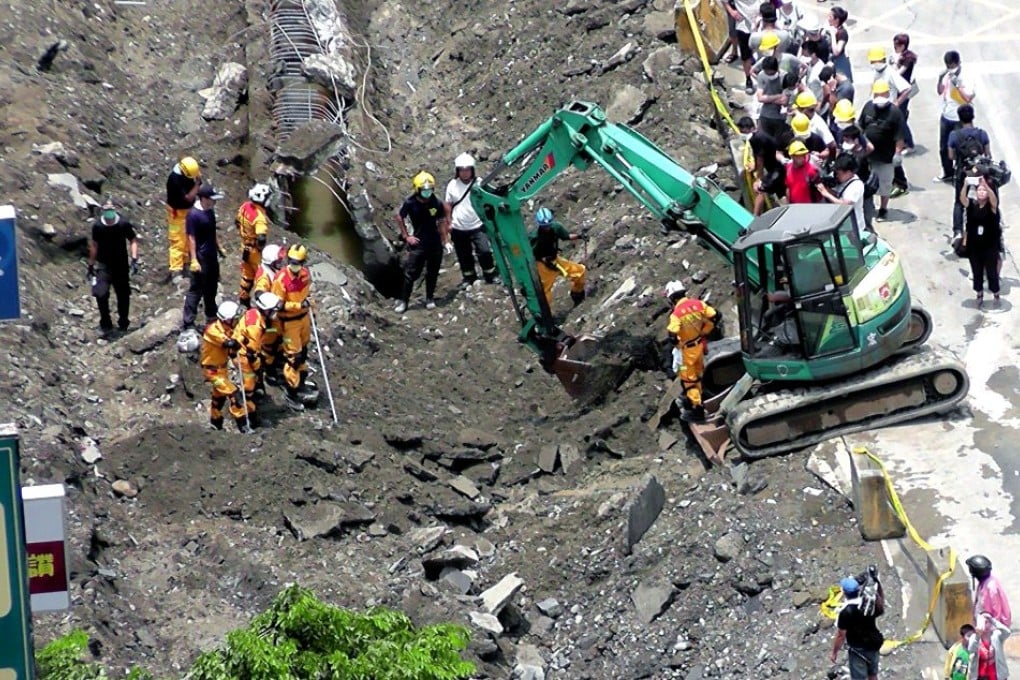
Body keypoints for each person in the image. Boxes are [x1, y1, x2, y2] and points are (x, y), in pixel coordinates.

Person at [395, 171, 451, 313]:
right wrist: (406, 236)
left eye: (429, 189)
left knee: (432, 272)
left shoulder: (435, 202)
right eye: (424, 190)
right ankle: (404, 301)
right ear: (418, 189)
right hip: (419, 243)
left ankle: (430, 298)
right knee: (410, 273)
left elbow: (442, 220)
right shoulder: (410, 203)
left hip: (434, 243)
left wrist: (446, 240)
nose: (427, 192)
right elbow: (400, 217)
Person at [664, 280, 719, 423]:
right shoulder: (698, 304)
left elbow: (672, 333)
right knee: (698, 374)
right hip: (699, 346)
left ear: (672, 298)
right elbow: (715, 315)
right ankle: (697, 397)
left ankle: (697, 409)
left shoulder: (676, 314)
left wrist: (677, 343)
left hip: (687, 352)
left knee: (688, 379)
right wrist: (704, 331)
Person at [271, 244, 316, 411]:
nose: (294, 265)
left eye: (298, 262)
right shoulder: (281, 279)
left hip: (303, 319)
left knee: (303, 352)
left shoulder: (304, 274)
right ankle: (291, 392)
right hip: (289, 323)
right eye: (292, 261)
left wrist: (309, 303)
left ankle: (301, 383)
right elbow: (278, 305)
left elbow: (306, 293)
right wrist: (299, 305)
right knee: (293, 356)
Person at [87, 197, 140, 336]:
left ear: (114, 210)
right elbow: (94, 245)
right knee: (100, 293)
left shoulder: (123, 224)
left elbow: (133, 240)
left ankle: (123, 323)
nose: (109, 213)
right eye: (106, 210)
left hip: (121, 265)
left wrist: (134, 259)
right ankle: (105, 323)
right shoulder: (98, 226)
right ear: (102, 211)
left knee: (123, 295)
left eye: (111, 210)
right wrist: (91, 265)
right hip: (104, 265)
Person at [444, 153, 497, 288]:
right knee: (464, 254)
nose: (465, 173)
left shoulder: (479, 183)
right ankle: (469, 277)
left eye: (467, 169)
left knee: (484, 250)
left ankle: (490, 274)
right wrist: (449, 222)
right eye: (462, 170)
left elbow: (488, 199)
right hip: (459, 227)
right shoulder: (452, 185)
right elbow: (448, 205)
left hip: (477, 225)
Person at [200, 300, 253, 433]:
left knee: (219, 397)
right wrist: (235, 343)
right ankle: (242, 424)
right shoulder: (213, 330)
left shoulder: (228, 328)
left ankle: (215, 421)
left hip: (222, 369)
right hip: (212, 371)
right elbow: (227, 343)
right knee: (234, 394)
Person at [858, 80, 904, 222]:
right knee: (865, 181)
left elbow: (900, 136)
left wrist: (897, 153)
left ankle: (883, 209)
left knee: (885, 184)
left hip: (885, 157)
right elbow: (861, 126)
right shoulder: (868, 107)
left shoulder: (895, 112)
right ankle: (867, 205)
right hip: (867, 155)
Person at [182, 184, 226, 330]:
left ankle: (211, 315)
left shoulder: (210, 212)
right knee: (196, 289)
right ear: (204, 199)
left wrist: (219, 248)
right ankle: (188, 322)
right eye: (212, 199)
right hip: (201, 258)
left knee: (212, 286)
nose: (214, 202)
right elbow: (191, 238)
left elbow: (212, 232)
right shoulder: (194, 215)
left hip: (212, 255)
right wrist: (193, 259)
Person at [948, 104, 992, 244]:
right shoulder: (982, 133)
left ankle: (958, 232)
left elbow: (951, 156)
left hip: (963, 172)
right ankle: (986, 228)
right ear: (973, 116)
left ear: (959, 119)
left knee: (959, 203)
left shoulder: (954, 135)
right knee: (984, 200)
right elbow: (988, 154)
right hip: (979, 173)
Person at [233, 291, 282, 417]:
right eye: (272, 310)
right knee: (249, 381)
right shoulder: (255, 328)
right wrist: (258, 366)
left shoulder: (257, 316)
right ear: (265, 310)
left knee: (257, 372)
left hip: (251, 348)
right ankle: (244, 409)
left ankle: (257, 388)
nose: (275, 313)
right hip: (242, 354)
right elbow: (251, 354)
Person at [965, 554, 1012, 679]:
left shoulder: (990, 588)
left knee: (992, 665)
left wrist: (987, 638)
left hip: (989, 633)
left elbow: (994, 614)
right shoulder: (986, 583)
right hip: (985, 632)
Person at [530, 207, 587, 309]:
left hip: (554, 259)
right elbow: (530, 255)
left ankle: (577, 295)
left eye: (548, 225)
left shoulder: (556, 227)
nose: (547, 228)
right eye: (544, 226)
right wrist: (543, 261)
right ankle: (546, 318)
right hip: (542, 265)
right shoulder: (534, 237)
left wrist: (579, 236)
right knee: (545, 293)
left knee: (580, 272)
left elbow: (566, 236)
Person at [831, 574, 885, 680]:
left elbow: (841, 636)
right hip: (873, 645)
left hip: (858, 649)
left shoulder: (845, 612)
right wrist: (878, 583)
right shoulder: (868, 603)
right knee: (873, 674)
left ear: (845, 593)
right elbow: (881, 606)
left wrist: (834, 652)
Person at [961, 177, 1003, 309]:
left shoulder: (992, 208)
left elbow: (994, 200)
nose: (981, 192)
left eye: (984, 190)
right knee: (976, 271)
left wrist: (986, 185)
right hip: (975, 246)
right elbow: (962, 200)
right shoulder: (972, 205)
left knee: (992, 272)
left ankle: (995, 293)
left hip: (990, 246)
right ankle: (979, 294)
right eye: (979, 190)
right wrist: (965, 185)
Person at [936, 50, 976, 183]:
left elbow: (968, 98)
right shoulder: (948, 75)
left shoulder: (966, 76)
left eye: (952, 65)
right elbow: (940, 91)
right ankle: (948, 172)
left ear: (958, 63)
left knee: (962, 149)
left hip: (960, 118)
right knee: (944, 148)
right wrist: (940, 78)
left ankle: (963, 175)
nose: (950, 68)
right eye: (948, 65)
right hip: (946, 115)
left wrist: (958, 85)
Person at [165, 156, 202, 282]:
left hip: (188, 211)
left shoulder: (188, 173)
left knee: (189, 238)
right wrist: (197, 185)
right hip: (176, 214)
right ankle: (176, 269)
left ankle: (185, 263)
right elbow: (188, 197)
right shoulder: (175, 181)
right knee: (177, 240)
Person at [739, 116, 785, 215]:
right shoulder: (755, 137)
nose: (742, 134)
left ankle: (755, 216)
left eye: (744, 131)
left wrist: (760, 178)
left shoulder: (758, 138)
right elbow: (756, 155)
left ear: (750, 128)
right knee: (781, 193)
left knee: (760, 188)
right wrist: (754, 167)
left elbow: (760, 159)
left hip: (777, 169)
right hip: (773, 168)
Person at [235, 182, 272, 308]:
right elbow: (261, 238)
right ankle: (264, 302)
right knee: (262, 275)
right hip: (255, 252)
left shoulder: (244, 206)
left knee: (247, 274)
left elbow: (237, 222)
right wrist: (261, 250)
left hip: (244, 246)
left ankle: (243, 299)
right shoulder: (259, 217)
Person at [253, 243, 286, 379]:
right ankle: (269, 369)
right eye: (278, 260)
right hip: (270, 318)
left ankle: (277, 359)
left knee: (279, 339)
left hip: (275, 314)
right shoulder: (264, 276)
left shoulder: (271, 271)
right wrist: (271, 305)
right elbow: (259, 293)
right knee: (269, 344)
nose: (281, 262)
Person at [816, 153, 867, 239]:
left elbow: (844, 204)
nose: (837, 176)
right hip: (843, 226)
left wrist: (827, 194)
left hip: (854, 229)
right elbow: (838, 194)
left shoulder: (856, 186)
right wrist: (826, 189)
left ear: (848, 172)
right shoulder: (844, 181)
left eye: (839, 173)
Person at [724, 0, 763, 94]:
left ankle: (765, 77)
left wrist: (761, 16)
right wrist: (731, 12)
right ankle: (748, 79)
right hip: (743, 27)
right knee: (746, 57)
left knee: (760, 50)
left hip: (759, 26)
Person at [893, 33, 918, 155]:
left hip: (904, 90)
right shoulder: (900, 55)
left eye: (897, 45)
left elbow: (898, 73)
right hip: (898, 89)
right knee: (900, 116)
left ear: (903, 45)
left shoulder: (908, 59)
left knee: (900, 119)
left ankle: (909, 143)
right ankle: (902, 141)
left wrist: (896, 62)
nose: (895, 47)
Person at [755, 56, 789, 139]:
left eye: (771, 73)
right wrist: (778, 96)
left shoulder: (785, 77)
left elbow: (784, 101)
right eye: (767, 73)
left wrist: (767, 99)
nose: (769, 75)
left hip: (780, 117)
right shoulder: (762, 75)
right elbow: (760, 98)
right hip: (765, 114)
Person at [828, 6, 852, 82]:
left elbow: (837, 52)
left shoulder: (842, 33)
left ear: (837, 20)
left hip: (840, 64)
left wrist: (832, 35)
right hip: (833, 62)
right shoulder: (834, 29)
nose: (828, 18)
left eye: (830, 16)